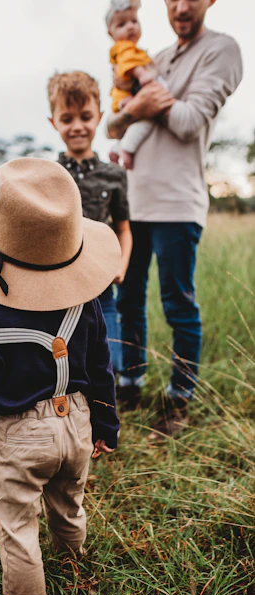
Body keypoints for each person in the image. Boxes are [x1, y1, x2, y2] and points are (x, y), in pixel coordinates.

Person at [0, 158, 121, 595]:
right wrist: (106, 423)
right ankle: (73, 569)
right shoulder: (84, 301)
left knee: (17, 524)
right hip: (79, 420)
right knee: (69, 503)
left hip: (22, 437)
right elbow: (102, 366)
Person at [107, 0, 243, 436]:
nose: (181, 6)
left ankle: (178, 400)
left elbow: (186, 121)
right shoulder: (156, 57)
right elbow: (112, 124)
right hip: (132, 201)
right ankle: (130, 383)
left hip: (176, 203)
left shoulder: (222, 50)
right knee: (127, 298)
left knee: (177, 303)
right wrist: (136, 108)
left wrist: (141, 106)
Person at [47, 70, 132, 375]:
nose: (78, 126)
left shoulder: (115, 175)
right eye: (67, 119)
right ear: (53, 122)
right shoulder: (48, 174)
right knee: (63, 354)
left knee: (106, 354)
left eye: (86, 116)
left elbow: (123, 227)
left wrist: (120, 267)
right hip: (57, 284)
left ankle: (108, 409)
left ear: (99, 116)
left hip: (102, 286)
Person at [106, 0, 166, 170]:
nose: (130, 27)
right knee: (147, 120)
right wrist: (142, 75)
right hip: (129, 97)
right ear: (111, 33)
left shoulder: (133, 48)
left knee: (136, 122)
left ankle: (117, 148)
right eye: (122, 24)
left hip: (126, 98)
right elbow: (129, 65)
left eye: (134, 21)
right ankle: (127, 148)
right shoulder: (124, 48)